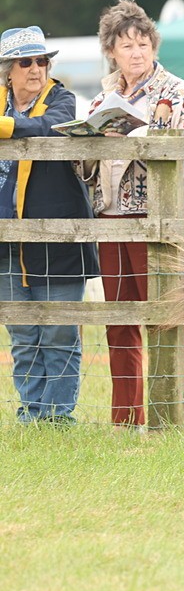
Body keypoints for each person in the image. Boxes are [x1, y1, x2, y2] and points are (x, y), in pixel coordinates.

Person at [82, 0, 184, 429]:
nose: (136, 52)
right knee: (119, 322)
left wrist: (142, 137)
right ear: (111, 52)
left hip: (160, 221)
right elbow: (84, 168)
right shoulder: (102, 97)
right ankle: (126, 419)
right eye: (126, 45)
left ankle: (177, 416)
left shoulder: (176, 92)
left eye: (142, 43)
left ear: (154, 45)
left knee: (166, 317)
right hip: (111, 219)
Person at [0, 26, 99, 425]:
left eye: (43, 60)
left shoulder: (61, 97)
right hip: (6, 241)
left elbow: (49, 128)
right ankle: (31, 413)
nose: (37, 69)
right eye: (27, 62)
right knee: (23, 336)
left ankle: (58, 417)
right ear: (8, 70)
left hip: (58, 237)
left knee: (60, 333)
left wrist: (6, 128)